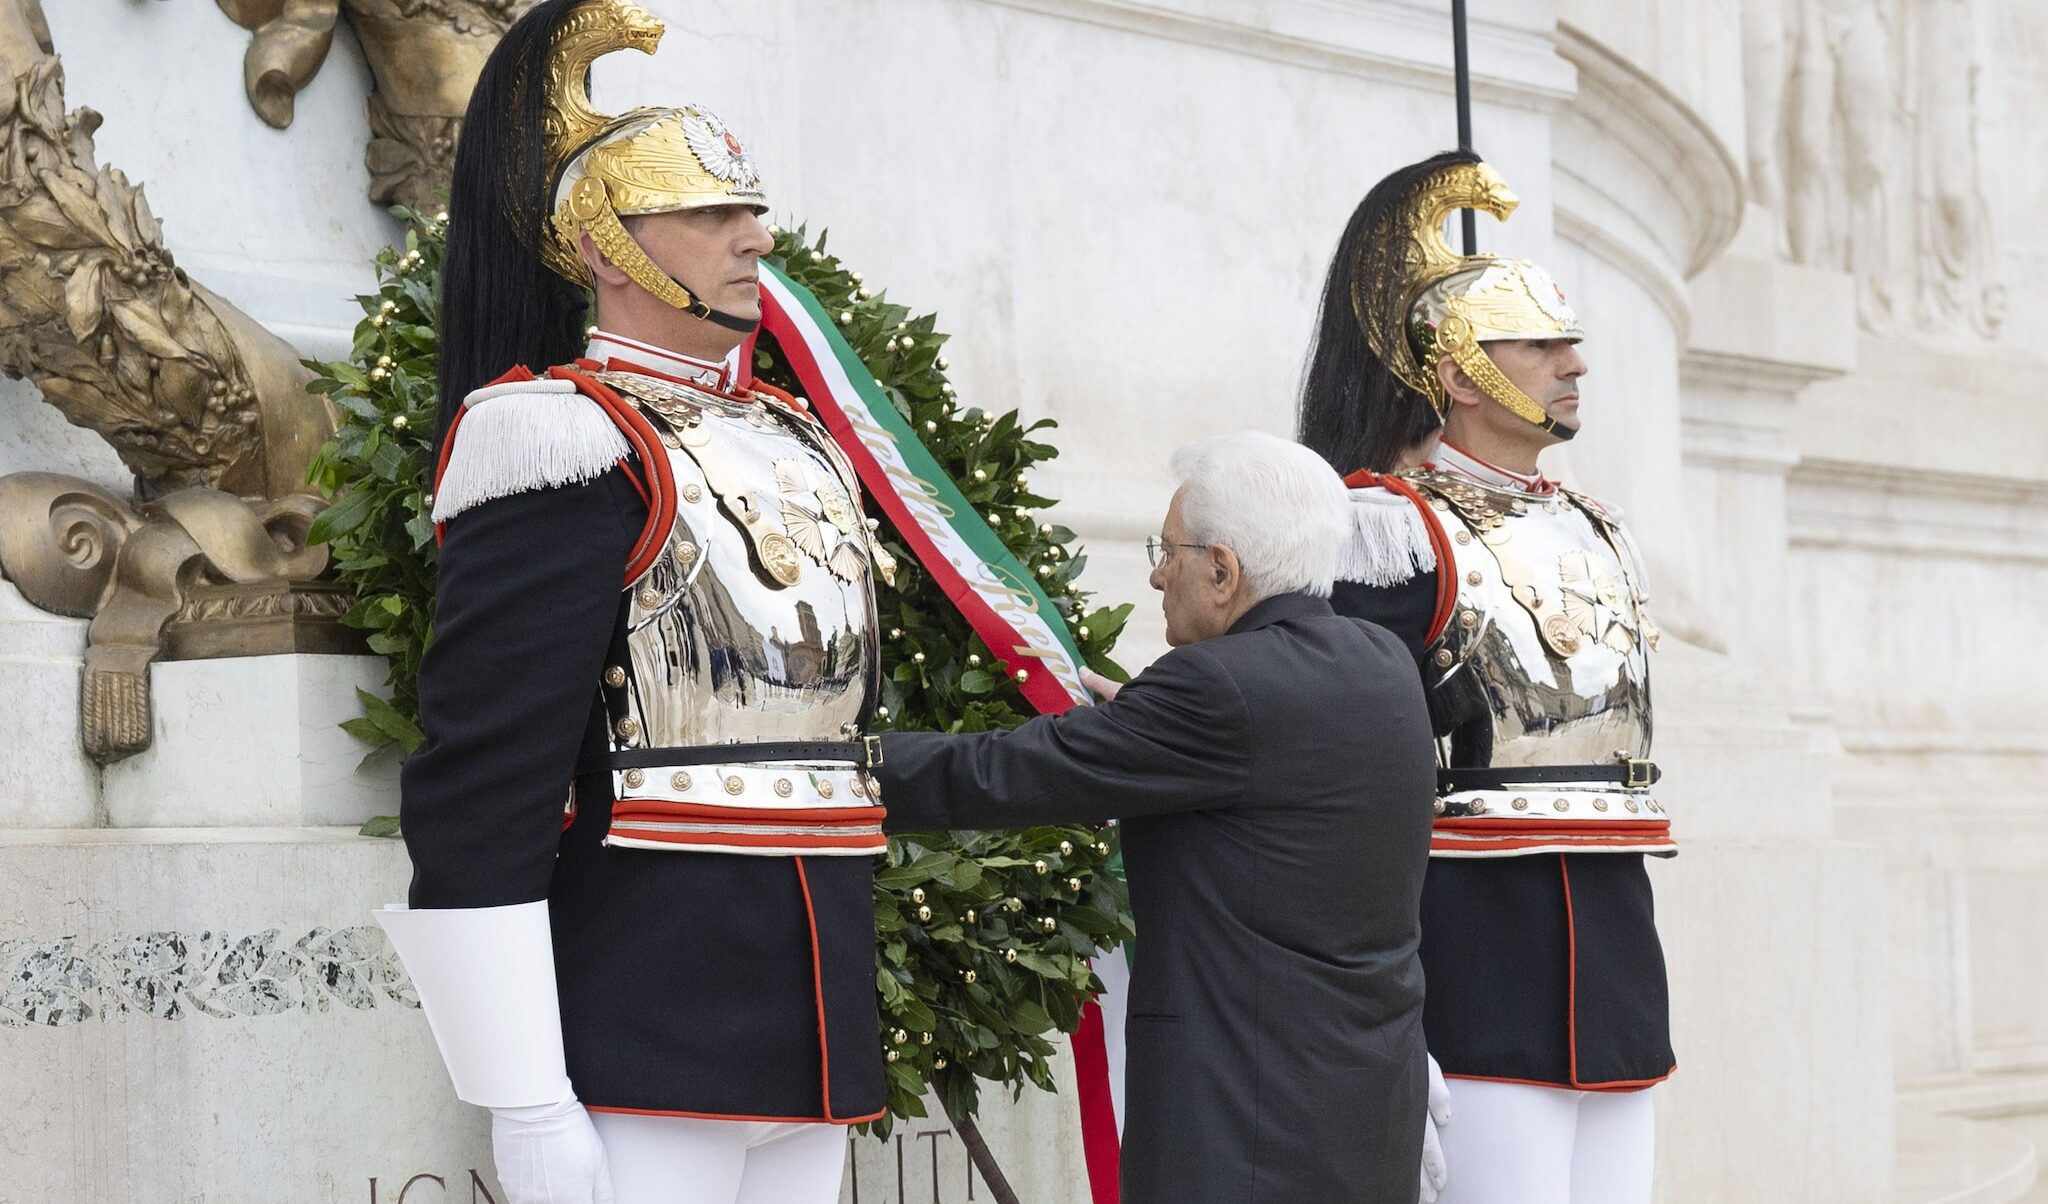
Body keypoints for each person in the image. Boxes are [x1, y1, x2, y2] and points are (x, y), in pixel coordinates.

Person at [372, 3, 894, 1202]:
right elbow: (483, 779)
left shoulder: (792, 435)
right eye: (712, 211)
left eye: (750, 206)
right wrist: (525, 1094)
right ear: (607, 245)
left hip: (812, 1027)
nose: (754, 234)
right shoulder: (555, 437)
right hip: (649, 1023)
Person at [874, 432, 1437, 1204]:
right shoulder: (1382, 663)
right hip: (1369, 1114)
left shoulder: (1215, 691)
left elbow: (1004, 772)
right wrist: (1148, 726)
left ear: (1223, 569)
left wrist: (840, 763)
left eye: (1169, 549)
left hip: (1241, 1130)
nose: (1155, 572)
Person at [1298, 150, 1677, 1204]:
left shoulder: (1598, 527)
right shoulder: (1388, 529)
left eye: (1571, 342)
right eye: (1540, 343)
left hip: (1613, 952)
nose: (1573, 364)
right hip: (1477, 957)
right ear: (1458, 373)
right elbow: (1333, 752)